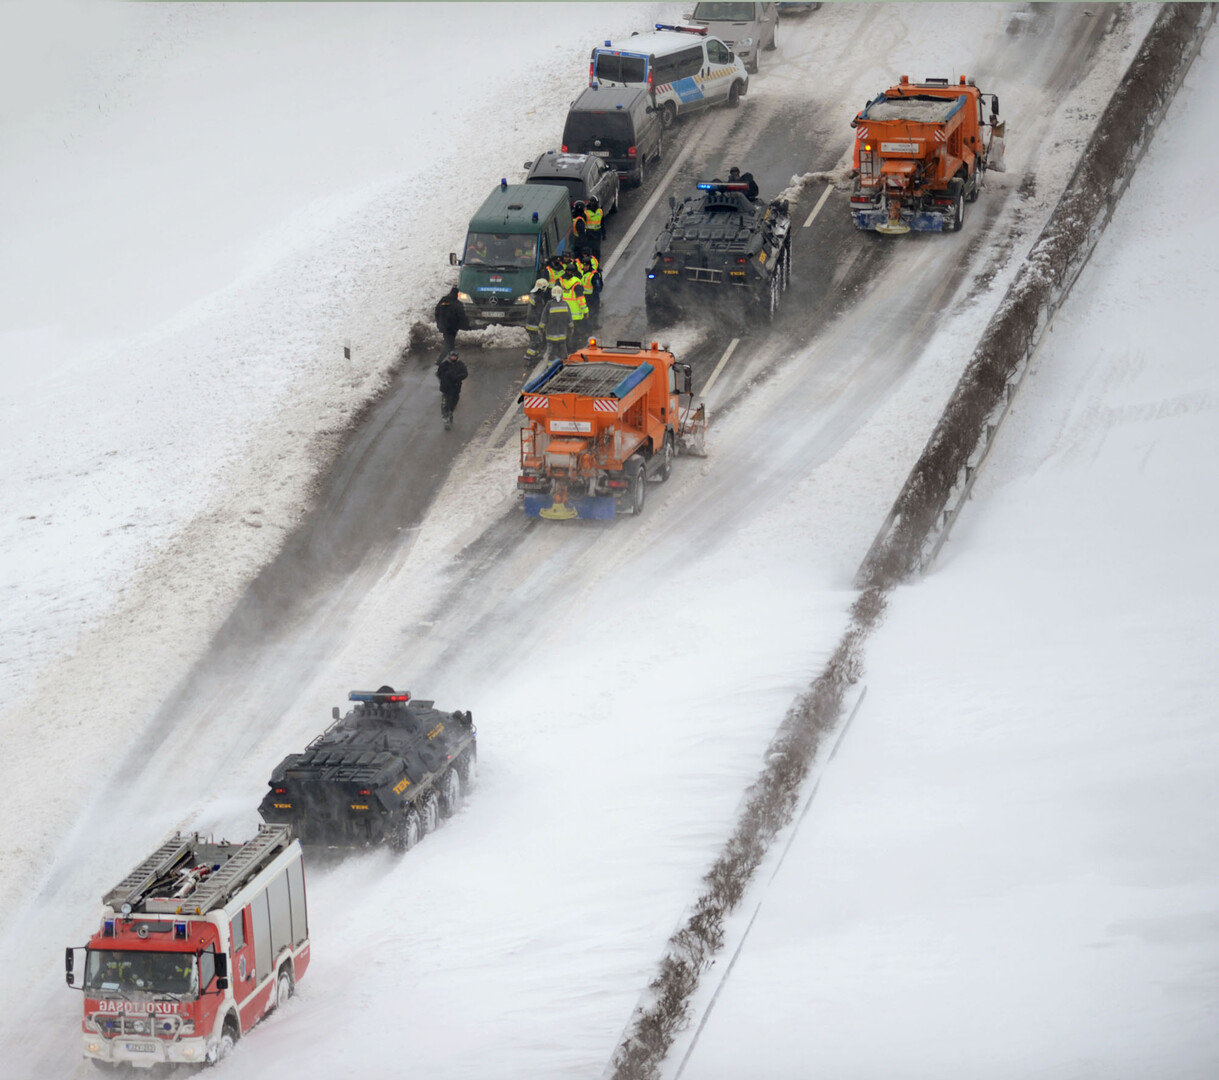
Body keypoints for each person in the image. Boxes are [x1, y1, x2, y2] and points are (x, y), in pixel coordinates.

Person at [436, 350, 469, 430]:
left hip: (455, 388)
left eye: (455, 356)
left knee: (454, 402)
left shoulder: (460, 365)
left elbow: (465, 374)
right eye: (452, 356)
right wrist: (445, 379)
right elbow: (439, 374)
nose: (453, 358)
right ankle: (445, 419)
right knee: (444, 404)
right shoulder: (444, 365)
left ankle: (451, 411)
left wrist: (457, 377)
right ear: (449, 356)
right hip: (446, 388)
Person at [434, 287, 468, 356]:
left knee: (448, 341)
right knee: (450, 343)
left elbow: (437, 312)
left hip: (443, 326)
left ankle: (449, 356)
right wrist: (465, 326)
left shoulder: (443, 300)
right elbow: (462, 315)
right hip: (452, 328)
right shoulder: (457, 302)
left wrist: (438, 323)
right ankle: (445, 359)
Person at [542, 286, 573, 361]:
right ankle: (564, 365)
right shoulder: (565, 304)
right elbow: (569, 317)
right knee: (563, 352)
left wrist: (541, 328)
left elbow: (544, 317)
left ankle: (551, 368)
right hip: (562, 334)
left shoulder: (549, 304)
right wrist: (571, 328)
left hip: (551, 335)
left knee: (551, 354)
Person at [523, 278, 550, 360]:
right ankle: (529, 355)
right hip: (534, 324)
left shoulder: (533, 295)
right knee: (537, 340)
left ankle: (535, 355)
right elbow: (540, 312)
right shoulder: (538, 299)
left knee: (535, 340)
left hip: (530, 323)